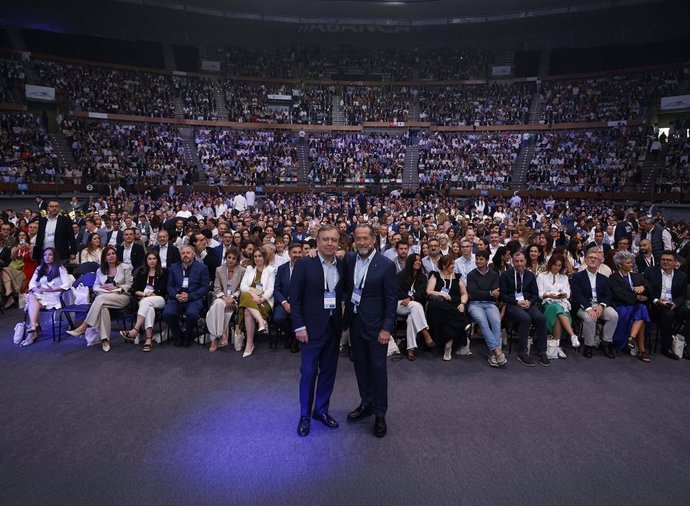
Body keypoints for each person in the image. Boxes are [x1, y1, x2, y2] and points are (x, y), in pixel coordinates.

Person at [343, 223, 397, 439]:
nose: (362, 242)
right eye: (358, 238)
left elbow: (391, 299)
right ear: (354, 240)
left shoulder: (385, 265)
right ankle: (366, 403)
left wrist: (387, 328)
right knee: (361, 369)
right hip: (356, 324)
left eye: (366, 238)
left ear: (374, 240)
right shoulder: (349, 260)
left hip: (377, 329)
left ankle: (380, 414)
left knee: (378, 371)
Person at [290, 225, 345, 437]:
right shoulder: (305, 264)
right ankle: (304, 415)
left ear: (339, 242)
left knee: (329, 372)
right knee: (309, 372)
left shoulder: (343, 264)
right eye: (325, 239)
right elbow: (294, 298)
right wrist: (299, 326)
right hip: (310, 330)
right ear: (317, 241)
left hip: (333, 327)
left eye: (334, 240)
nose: (330, 243)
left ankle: (320, 411)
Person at [66, 246, 133, 352]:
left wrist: (116, 287)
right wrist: (102, 289)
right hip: (104, 297)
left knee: (100, 300)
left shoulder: (125, 267)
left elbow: (129, 285)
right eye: (108, 254)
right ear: (104, 258)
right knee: (102, 308)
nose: (111, 256)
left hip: (122, 297)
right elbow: (95, 286)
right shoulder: (100, 270)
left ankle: (84, 326)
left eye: (113, 253)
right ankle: (105, 340)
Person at [499, 251, 549, 367]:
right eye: (516, 261)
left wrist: (529, 302)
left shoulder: (530, 275)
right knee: (525, 319)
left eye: (521, 261)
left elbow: (535, 294)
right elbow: (503, 295)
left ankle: (542, 352)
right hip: (512, 304)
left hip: (528, 304)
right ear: (512, 262)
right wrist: (517, 302)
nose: (519, 264)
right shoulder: (505, 276)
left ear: (525, 262)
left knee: (540, 318)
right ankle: (522, 352)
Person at [571, 247, 619, 359]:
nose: (593, 260)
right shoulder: (577, 276)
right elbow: (577, 295)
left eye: (595, 258)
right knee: (590, 318)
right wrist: (588, 308)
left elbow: (608, 295)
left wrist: (602, 305)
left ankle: (606, 343)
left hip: (599, 305)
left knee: (613, 315)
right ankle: (589, 345)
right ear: (586, 260)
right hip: (583, 306)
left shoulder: (604, 278)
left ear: (599, 261)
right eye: (590, 258)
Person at [645, 250, 690, 360]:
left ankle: (686, 346)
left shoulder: (682, 276)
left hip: (673, 304)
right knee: (668, 314)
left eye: (669, 260)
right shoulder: (651, 272)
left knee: (688, 313)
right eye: (663, 259)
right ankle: (666, 347)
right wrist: (656, 300)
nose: (665, 262)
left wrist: (676, 303)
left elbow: (682, 295)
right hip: (656, 305)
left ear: (675, 262)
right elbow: (647, 291)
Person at [120, 252, 168, 352]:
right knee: (149, 308)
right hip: (145, 300)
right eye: (149, 259)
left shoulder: (164, 272)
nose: (152, 261)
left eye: (154, 258)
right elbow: (133, 289)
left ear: (158, 260)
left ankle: (135, 330)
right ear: (146, 261)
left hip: (159, 299)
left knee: (145, 302)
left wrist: (153, 293)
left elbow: (164, 289)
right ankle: (148, 340)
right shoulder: (142, 272)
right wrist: (144, 294)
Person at [609, 251, 652, 362]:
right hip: (622, 305)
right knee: (641, 313)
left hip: (636, 306)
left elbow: (649, 287)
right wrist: (637, 297)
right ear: (620, 265)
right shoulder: (613, 277)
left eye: (631, 263)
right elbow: (618, 294)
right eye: (628, 263)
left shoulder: (636, 276)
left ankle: (631, 338)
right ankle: (640, 349)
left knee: (642, 309)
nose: (631, 265)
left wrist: (643, 288)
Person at [466, 250, 507, 368]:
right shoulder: (471, 275)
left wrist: (487, 294)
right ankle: (496, 351)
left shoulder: (494, 274)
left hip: (490, 304)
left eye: (481, 259)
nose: (478, 261)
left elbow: (496, 293)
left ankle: (493, 355)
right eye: (477, 259)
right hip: (475, 304)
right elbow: (473, 293)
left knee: (496, 321)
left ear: (487, 261)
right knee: (483, 322)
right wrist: (489, 292)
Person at [163, 244, 210, 347]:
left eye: (188, 253)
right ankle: (178, 334)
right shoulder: (174, 267)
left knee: (192, 314)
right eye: (183, 253)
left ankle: (188, 335)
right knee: (167, 313)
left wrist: (190, 296)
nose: (185, 255)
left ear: (193, 254)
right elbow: (169, 286)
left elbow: (205, 288)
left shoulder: (202, 268)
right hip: (177, 298)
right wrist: (176, 295)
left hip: (193, 298)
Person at [22, 248, 70, 346]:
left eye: (50, 255)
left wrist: (50, 290)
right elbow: (32, 283)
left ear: (54, 256)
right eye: (45, 255)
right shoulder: (39, 268)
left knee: (33, 301)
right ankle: (34, 325)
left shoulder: (60, 268)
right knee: (32, 296)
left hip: (55, 296)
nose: (47, 257)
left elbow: (66, 285)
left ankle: (32, 330)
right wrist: (35, 289)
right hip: (41, 295)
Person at [426, 254, 469, 361]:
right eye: (451, 264)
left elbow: (464, 294)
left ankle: (448, 346)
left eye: (454, 264)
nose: (454, 266)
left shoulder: (458, 277)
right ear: (444, 265)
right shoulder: (435, 275)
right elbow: (429, 291)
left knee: (450, 314)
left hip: (454, 303)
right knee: (440, 307)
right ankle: (463, 322)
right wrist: (442, 294)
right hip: (439, 303)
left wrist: (463, 303)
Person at [238, 246, 276, 357]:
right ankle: (261, 321)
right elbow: (243, 286)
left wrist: (261, 298)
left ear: (264, 257)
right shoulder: (249, 269)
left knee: (247, 311)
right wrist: (253, 294)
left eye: (260, 256)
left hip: (265, 300)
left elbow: (270, 289)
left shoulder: (270, 270)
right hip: (251, 298)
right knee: (245, 295)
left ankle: (250, 344)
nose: (257, 258)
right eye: (255, 256)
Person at [206, 247, 245, 352]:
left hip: (235, 299)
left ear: (237, 260)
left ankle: (214, 339)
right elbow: (217, 288)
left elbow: (242, 289)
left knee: (216, 308)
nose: (231, 260)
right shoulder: (219, 269)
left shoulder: (242, 270)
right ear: (225, 258)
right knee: (218, 304)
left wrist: (231, 298)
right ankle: (222, 333)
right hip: (221, 297)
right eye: (229, 257)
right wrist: (225, 298)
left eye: (234, 258)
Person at [536, 254, 580, 348]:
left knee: (557, 317)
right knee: (555, 308)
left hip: (561, 304)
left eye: (559, 265)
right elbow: (539, 294)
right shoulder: (541, 276)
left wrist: (563, 295)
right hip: (547, 303)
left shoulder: (564, 278)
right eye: (555, 265)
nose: (557, 267)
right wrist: (548, 295)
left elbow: (568, 293)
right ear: (550, 264)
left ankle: (556, 346)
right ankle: (572, 335)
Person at [396, 253, 433, 361]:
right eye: (415, 260)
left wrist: (411, 298)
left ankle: (410, 348)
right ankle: (425, 332)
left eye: (420, 261)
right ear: (410, 262)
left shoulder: (422, 277)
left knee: (412, 316)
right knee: (415, 306)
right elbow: (396, 292)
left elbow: (422, 293)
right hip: (400, 304)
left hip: (414, 305)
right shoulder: (401, 275)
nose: (418, 262)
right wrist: (407, 298)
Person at [273, 242, 303, 353]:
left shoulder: (307, 268)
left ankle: (294, 338)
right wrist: (285, 303)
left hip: (301, 302)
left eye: (300, 252)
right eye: (294, 252)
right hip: (285, 300)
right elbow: (276, 289)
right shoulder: (282, 268)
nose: (297, 255)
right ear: (289, 254)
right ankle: (291, 333)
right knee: (278, 318)